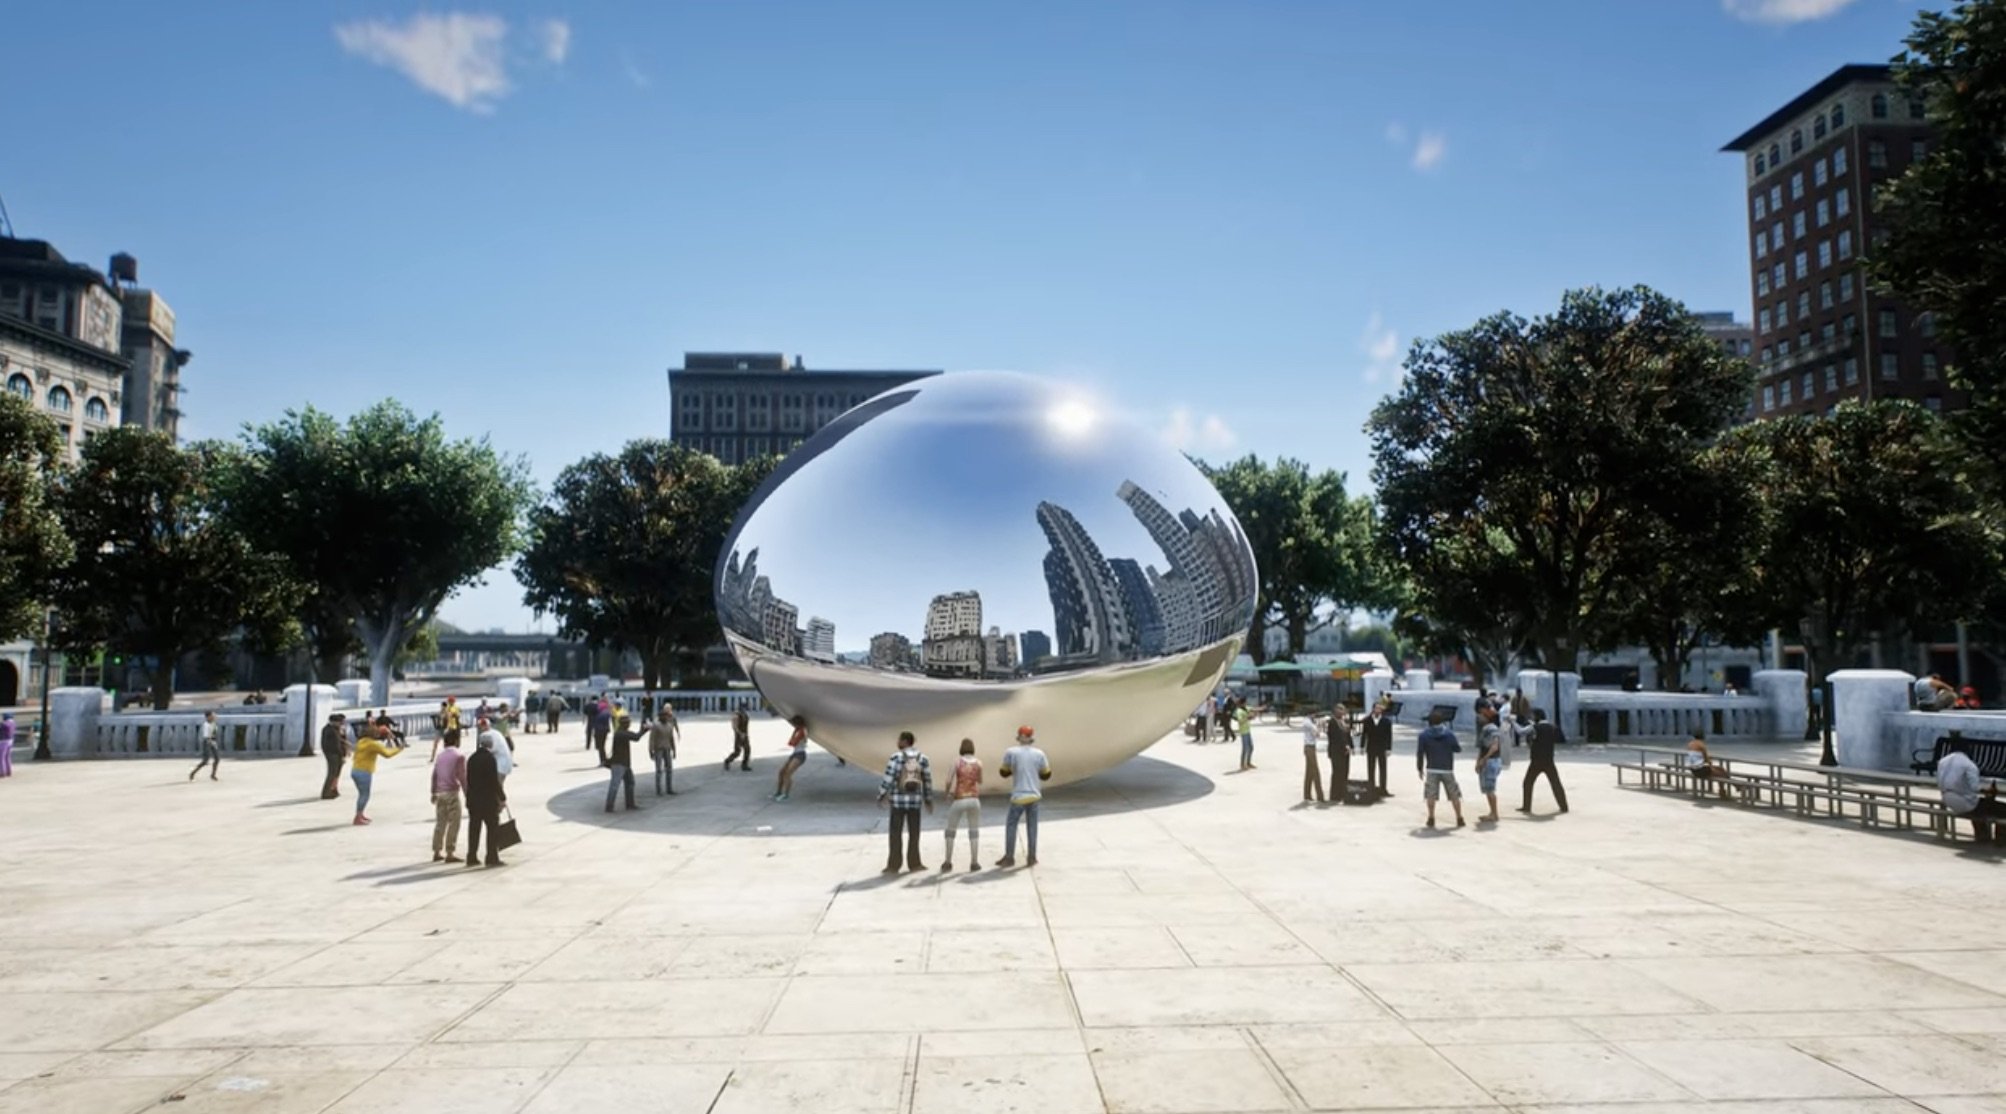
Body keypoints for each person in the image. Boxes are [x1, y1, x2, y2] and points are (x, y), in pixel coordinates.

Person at [877, 731, 933, 873]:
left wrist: (882, 794)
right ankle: (915, 864)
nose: (897, 742)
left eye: (899, 739)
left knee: (895, 833)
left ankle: (893, 865)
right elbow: (927, 780)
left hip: (897, 802)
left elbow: (888, 778)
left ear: (904, 741)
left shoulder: (895, 757)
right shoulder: (923, 758)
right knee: (914, 833)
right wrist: (928, 800)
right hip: (915, 802)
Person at [996, 726, 1052, 867]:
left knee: (1011, 825)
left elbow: (1003, 772)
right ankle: (1032, 857)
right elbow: (1046, 774)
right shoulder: (1039, 754)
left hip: (1019, 796)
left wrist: (1015, 769)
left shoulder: (1011, 752)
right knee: (1032, 827)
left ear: (1019, 737)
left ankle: (1009, 857)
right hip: (1034, 796)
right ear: (1031, 737)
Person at [1936, 740, 2004, 844]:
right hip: (1964, 802)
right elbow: (1975, 787)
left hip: (1947, 799)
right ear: (1968, 750)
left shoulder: (1942, 761)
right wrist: (1989, 790)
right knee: (2000, 808)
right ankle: (2001, 839)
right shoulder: (1969, 765)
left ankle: (1981, 834)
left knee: (1982, 805)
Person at [1415, 711, 1466, 830]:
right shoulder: (1449, 734)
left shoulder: (1423, 735)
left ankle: (1431, 817)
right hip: (1447, 768)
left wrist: (1419, 768)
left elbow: (1420, 753)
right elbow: (1457, 749)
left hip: (1432, 768)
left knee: (1430, 795)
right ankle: (1459, 817)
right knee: (1454, 794)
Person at [464, 731, 507, 868]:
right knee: (492, 828)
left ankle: (472, 856)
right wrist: (502, 797)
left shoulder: (471, 758)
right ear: (491, 744)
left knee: (474, 829)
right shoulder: (490, 759)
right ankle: (491, 856)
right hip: (488, 800)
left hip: (473, 800)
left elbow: (468, 780)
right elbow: (494, 781)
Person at [351, 722, 405, 825]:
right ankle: (358, 817)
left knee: (362, 794)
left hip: (355, 770)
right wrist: (399, 749)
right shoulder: (373, 744)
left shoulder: (361, 741)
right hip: (364, 771)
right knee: (364, 795)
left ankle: (360, 814)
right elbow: (387, 754)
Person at [941, 738, 983, 872]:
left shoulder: (957, 762)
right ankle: (974, 862)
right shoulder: (978, 763)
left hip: (959, 798)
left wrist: (947, 793)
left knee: (950, 831)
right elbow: (980, 781)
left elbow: (948, 780)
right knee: (974, 831)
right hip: (974, 799)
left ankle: (948, 861)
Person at [1517, 709, 1569, 814]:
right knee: (1556, 784)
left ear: (1537, 717)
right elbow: (1562, 739)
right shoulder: (1552, 727)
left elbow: (1520, 732)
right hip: (1549, 760)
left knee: (1528, 783)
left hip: (1536, 760)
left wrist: (1512, 722)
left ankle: (1526, 806)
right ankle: (1564, 806)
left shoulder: (1534, 728)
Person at [431, 731, 466, 863]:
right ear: (456, 741)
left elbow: (434, 775)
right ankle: (450, 852)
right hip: (452, 793)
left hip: (440, 793)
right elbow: (462, 777)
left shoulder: (439, 756)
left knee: (440, 823)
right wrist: (467, 794)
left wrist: (433, 792)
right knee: (454, 823)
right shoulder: (459, 756)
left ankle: (436, 851)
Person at [605, 711, 641, 812]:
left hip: (625, 763)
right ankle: (609, 806)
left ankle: (630, 804)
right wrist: (645, 729)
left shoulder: (621, 732)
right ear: (624, 724)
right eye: (628, 722)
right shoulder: (621, 733)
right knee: (615, 785)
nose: (629, 724)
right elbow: (636, 737)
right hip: (619, 763)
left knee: (630, 782)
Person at [1475, 706, 1505, 822]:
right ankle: (1492, 812)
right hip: (1489, 760)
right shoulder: (1486, 728)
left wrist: (1484, 759)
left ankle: (1494, 813)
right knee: (1488, 789)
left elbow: (1494, 746)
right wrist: (1479, 761)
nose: (1479, 717)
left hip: (1491, 761)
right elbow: (1482, 748)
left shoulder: (1491, 729)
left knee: (1490, 789)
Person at [1684, 730, 1733, 800]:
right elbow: (1707, 759)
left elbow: (1697, 757)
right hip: (1700, 770)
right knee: (1722, 774)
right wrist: (1711, 766)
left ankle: (1735, 786)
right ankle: (1723, 793)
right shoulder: (1701, 744)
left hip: (1693, 769)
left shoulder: (1690, 744)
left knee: (1721, 769)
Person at [1360, 701, 1393, 797]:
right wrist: (1362, 746)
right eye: (1377, 708)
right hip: (1371, 747)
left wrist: (1388, 748)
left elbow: (1389, 736)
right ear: (1373, 709)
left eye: (1380, 708)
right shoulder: (1367, 720)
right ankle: (1371, 788)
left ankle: (1383, 789)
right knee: (1371, 768)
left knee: (1383, 769)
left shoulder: (1386, 721)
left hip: (1382, 747)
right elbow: (1364, 734)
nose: (1378, 710)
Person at [774, 715, 809, 801]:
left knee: (787, 774)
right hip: (795, 753)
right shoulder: (797, 730)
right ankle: (778, 792)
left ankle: (786, 794)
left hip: (800, 754)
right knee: (782, 772)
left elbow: (793, 742)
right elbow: (791, 742)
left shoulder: (802, 730)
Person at [647, 707, 679, 796]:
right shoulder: (656, 726)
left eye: (666, 716)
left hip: (667, 749)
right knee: (659, 770)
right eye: (663, 716)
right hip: (658, 749)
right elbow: (652, 739)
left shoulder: (669, 726)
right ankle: (659, 790)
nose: (665, 718)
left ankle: (669, 788)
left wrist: (674, 750)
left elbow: (671, 739)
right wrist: (650, 750)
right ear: (660, 717)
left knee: (669, 769)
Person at [1328, 705, 1354, 803]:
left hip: (1345, 752)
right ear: (1335, 711)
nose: (1343, 712)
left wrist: (1351, 746)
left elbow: (1347, 735)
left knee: (1345, 772)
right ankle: (1335, 794)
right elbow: (1335, 737)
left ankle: (1343, 793)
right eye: (1341, 710)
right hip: (1336, 751)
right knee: (1337, 773)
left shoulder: (1344, 721)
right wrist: (1344, 746)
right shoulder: (1332, 722)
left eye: (1343, 710)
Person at [320, 713, 348, 799]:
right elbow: (336, 744)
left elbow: (342, 741)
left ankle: (333, 789)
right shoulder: (331, 730)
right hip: (333, 754)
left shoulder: (334, 729)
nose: (342, 724)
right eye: (340, 722)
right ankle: (327, 792)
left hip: (334, 753)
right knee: (332, 773)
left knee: (336, 773)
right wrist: (342, 755)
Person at [1300, 713, 1326, 804]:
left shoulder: (1308, 721)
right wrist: (1320, 725)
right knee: (1315, 771)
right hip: (1309, 747)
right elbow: (1317, 734)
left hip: (1311, 747)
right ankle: (1320, 795)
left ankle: (1307, 794)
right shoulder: (1308, 723)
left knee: (1309, 772)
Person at [189, 710, 222, 781]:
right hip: (207, 742)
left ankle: (213, 775)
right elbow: (207, 736)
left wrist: (214, 742)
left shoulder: (213, 723)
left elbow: (214, 734)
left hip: (213, 742)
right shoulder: (206, 725)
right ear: (208, 717)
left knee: (217, 759)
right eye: (212, 715)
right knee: (205, 761)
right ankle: (193, 773)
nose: (214, 717)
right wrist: (212, 742)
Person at [728, 706, 753, 771]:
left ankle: (744, 765)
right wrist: (740, 733)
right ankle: (727, 761)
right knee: (737, 752)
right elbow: (734, 726)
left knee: (747, 750)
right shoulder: (736, 716)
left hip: (745, 735)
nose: (744, 709)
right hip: (739, 736)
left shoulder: (745, 715)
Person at [589, 698, 612, 766]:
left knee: (600, 746)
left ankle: (603, 761)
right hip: (605, 730)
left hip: (598, 730)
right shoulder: (607, 711)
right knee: (601, 746)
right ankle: (604, 760)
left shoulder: (597, 709)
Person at [1234, 699, 1255, 771]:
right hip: (1243, 731)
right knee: (1245, 748)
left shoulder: (1245, 708)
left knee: (1251, 747)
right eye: (1245, 703)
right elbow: (1240, 721)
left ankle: (1248, 763)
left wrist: (1262, 708)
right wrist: (1248, 717)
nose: (1246, 704)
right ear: (1242, 703)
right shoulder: (1239, 711)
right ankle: (1242, 764)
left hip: (1248, 730)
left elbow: (1253, 709)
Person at [0, 713, 14, 778]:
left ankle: (2, 772)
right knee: (7, 757)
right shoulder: (13, 723)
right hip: (10, 740)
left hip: (3, 741)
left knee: (1, 757)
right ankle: (9, 771)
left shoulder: (4, 724)